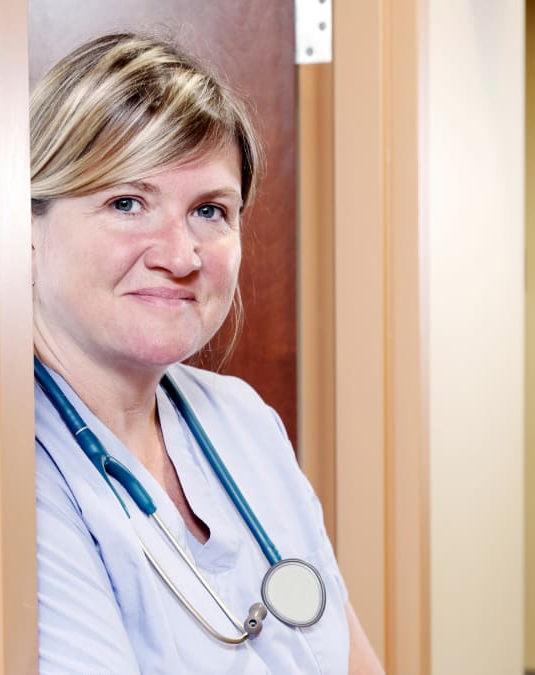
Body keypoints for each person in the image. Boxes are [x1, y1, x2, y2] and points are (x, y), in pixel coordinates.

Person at [31, 33, 383, 674]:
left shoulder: (242, 418)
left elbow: (352, 658)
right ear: (25, 227)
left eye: (210, 211)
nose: (181, 255)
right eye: (127, 202)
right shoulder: (13, 469)